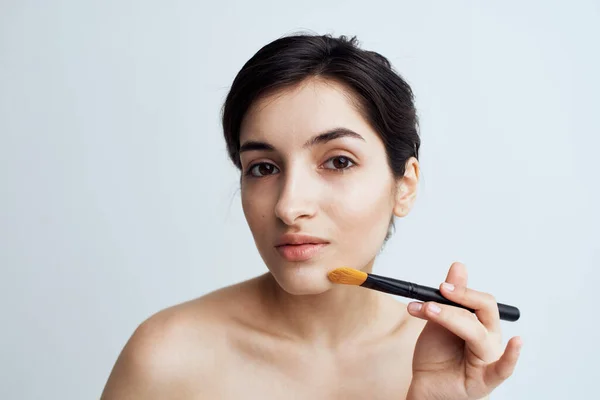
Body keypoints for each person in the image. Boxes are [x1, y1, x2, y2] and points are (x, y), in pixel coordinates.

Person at [100, 33, 522, 399]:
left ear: (404, 185)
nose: (288, 206)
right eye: (263, 168)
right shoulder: (167, 355)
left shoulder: (441, 360)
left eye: (337, 162)